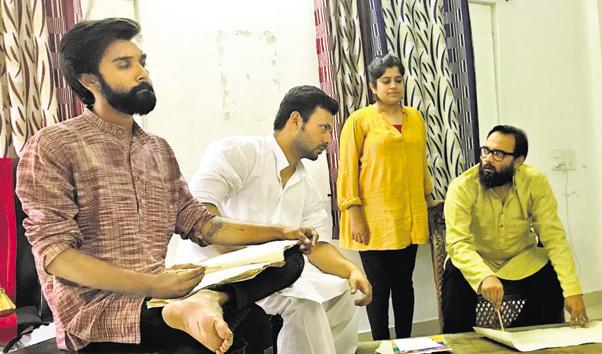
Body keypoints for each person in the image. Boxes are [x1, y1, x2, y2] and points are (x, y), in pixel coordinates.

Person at [16, 18, 315, 353]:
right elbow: (56, 257)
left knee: (290, 259)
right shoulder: (53, 145)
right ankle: (187, 309)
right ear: (89, 80)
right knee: (239, 330)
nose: (141, 72)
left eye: (142, 62)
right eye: (124, 64)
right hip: (99, 313)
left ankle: (206, 300)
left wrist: (280, 233)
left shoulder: (157, 149)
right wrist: (155, 283)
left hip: (161, 293)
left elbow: (204, 225)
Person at [178, 85, 372, 354]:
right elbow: (199, 213)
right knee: (304, 307)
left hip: (274, 275)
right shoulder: (241, 152)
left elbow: (318, 246)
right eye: (324, 128)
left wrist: (352, 271)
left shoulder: (307, 185)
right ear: (295, 121)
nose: (329, 139)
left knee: (341, 294)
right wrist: (271, 240)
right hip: (219, 271)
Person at [441, 125, 589, 333]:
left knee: (550, 279)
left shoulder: (534, 182)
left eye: (498, 154)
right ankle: (461, 345)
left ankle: (526, 339)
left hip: (521, 260)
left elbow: (553, 238)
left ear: (518, 161)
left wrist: (572, 291)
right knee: (455, 276)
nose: (488, 159)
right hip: (477, 259)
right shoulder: (462, 186)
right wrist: (483, 276)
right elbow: (458, 243)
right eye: (486, 151)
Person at [337, 54, 437, 340]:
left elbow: (421, 163)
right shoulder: (359, 120)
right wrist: (353, 212)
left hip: (409, 213)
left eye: (398, 80)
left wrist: (429, 199)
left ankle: (406, 343)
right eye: (386, 81)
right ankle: (381, 344)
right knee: (378, 285)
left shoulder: (415, 118)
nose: (393, 86)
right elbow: (347, 170)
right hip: (372, 216)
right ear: (373, 87)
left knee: (404, 283)